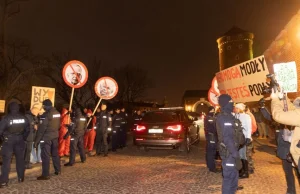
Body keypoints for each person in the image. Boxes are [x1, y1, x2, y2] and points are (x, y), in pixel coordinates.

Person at [270, 90, 299, 194]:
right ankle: (291, 191)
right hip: (288, 150)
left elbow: (278, 115)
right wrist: (283, 98)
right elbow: (292, 110)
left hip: (295, 152)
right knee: (288, 172)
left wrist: (275, 99)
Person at [215, 94, 242, 194]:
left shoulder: (230, 116)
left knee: (234, 177)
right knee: (229, 178)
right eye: (231, 102)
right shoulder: (223, 118)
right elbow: (227, 138)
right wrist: (236, 155)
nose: (232, 104)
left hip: (232, 151)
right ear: (226, 103)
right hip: (229, 153)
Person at [0, 102, 30, 188]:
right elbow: (28, 130)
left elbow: (0, 131)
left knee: (6, 161)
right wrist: (23, 137)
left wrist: (4, 139)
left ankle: (4, 182)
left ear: (10, 108)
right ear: (18, 108)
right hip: (20, 140)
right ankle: (21, 177)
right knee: (20, 160)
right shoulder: (24, 118)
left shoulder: (6, 118)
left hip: (8, 141)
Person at [34, 99, 61, 180]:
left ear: (45, 106)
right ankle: (58, 170)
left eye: (43, 106)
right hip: (55, 136)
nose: (43, 107)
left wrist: (36, 141)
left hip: (46, 138)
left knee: (45, 156)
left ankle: (45, 174)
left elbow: (41, 129)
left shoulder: (46, 115)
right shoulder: (57, 113)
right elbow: (59, 125)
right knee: (55, 154)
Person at [234, 103, 252, 179]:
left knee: (242, 155)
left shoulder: (246, 116)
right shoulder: (235, 115)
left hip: (243, 138)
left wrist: (248, 137)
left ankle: (245, 172)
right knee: (238, 154)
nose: (235, 109)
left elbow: (249, 128)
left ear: (240, 109)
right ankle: (240, 170)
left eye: (236, 108)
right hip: (236, 138)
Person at [203, 106, 220, 173]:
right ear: (212, 110)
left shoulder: (210, 117)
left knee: (209, 151)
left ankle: (209, 165)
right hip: (212, 136)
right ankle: (212, 167)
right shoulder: (209, 118)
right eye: (214, 110)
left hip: (210, 136)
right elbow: (213, 127)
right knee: (211, 152)